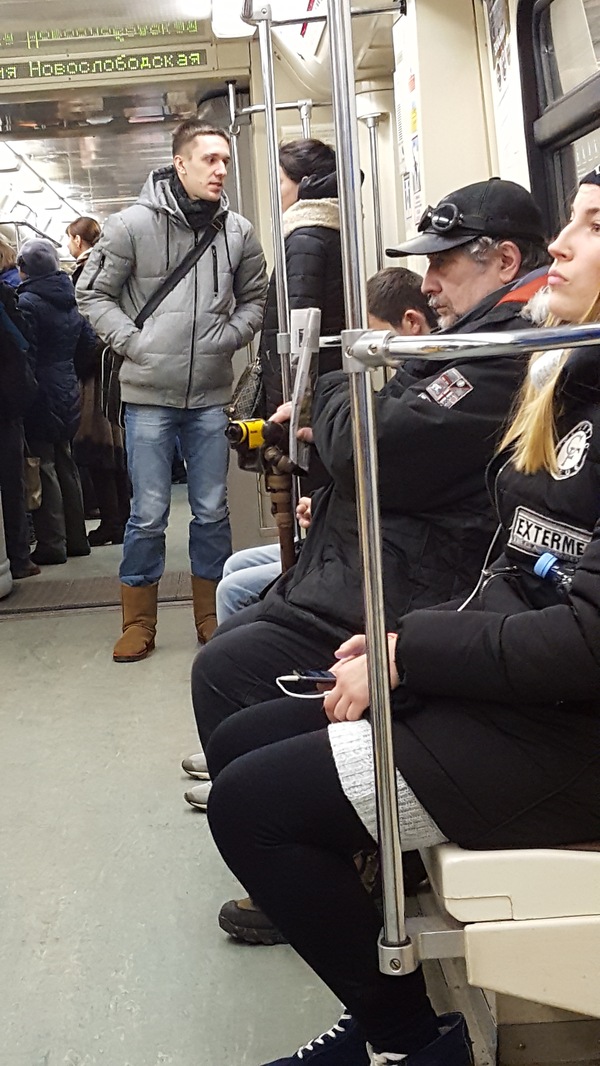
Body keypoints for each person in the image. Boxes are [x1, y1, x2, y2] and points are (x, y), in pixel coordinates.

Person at [203, 168, 600, 1066]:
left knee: (254, 806)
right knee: (246, 737)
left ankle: (409, 1043)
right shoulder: (565, 385)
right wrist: (395, 647)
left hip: (568, 731)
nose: (562, 245)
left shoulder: (526, 371)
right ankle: (386, 1015)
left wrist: (410, 653)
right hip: (523, 696)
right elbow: (513, 563)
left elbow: (586, 639)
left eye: (593, 224)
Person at [76, 120, 268, 661]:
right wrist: (133, 343)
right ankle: (138, 620)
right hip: (147, 396)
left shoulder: (238, 233)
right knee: (148, 512)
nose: (220, 169)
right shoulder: (130, 226)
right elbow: (92, 294)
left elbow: (256, 297)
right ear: (180, 164)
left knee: (211, 509)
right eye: (209, 159)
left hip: (209, 394)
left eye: (225, 160)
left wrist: (226, 338)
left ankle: (211, 613)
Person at [211, 267, 437, 627]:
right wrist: (323, 503)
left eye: (374, 334)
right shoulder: (407, 382)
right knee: (236, 564)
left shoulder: (425, 395)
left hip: (384, 554)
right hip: (360, 529)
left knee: (234, 590)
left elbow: (387, 472)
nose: (369, 350)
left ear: (411, 322)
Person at [17, 239, 95, 566]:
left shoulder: (28, 303)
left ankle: (52, 543)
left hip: (41, 390)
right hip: (67, 385)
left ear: (26, 269)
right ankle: (77, 538)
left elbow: (26, 354)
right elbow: (88, 344)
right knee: (66, 461)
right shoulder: (70, 300)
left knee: (43, 464)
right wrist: (69, 372)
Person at [67, 216, 130, 548]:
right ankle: (123, 517)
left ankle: (111, 521)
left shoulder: (84, 275)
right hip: (115, 367)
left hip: (94, 373)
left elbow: (86, 329)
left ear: (78, 241)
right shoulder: (114, 268)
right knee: (116, 447)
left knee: (98, 448)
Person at [0, 280, 39, 579]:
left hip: (7, 405)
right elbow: (24, 343)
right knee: (13, 483)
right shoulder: (8, 298)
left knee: (12, 482)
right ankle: (19, 556)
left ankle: (17, 556)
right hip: (10, 404)